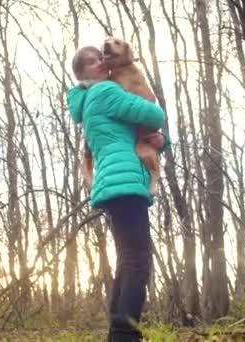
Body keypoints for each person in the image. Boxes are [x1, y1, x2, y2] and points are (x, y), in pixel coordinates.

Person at [67, 46, 168, 342]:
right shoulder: (105, 92)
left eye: (101, 57)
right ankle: (125, 335)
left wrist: (162, 141)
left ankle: (118, 333)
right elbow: (153, 113)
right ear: (83, 73)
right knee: (138, 261)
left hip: (114, 181)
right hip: (125, 181)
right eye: (93, 60)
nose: (102, 61)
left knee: (127, 260)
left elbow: (133, 131)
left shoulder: (88, 100)